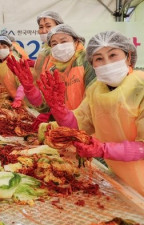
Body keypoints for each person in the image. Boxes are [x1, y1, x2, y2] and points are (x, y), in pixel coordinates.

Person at [37, 31, 144, 196]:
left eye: (113, 55)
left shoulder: (141, 87)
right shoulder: (96, 90)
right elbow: (80, 125)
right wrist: (60, 111)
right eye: (99, 58)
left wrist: (104, 149)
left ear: (128, 57)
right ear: (92, 64)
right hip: (121, 178)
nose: (106, 63)